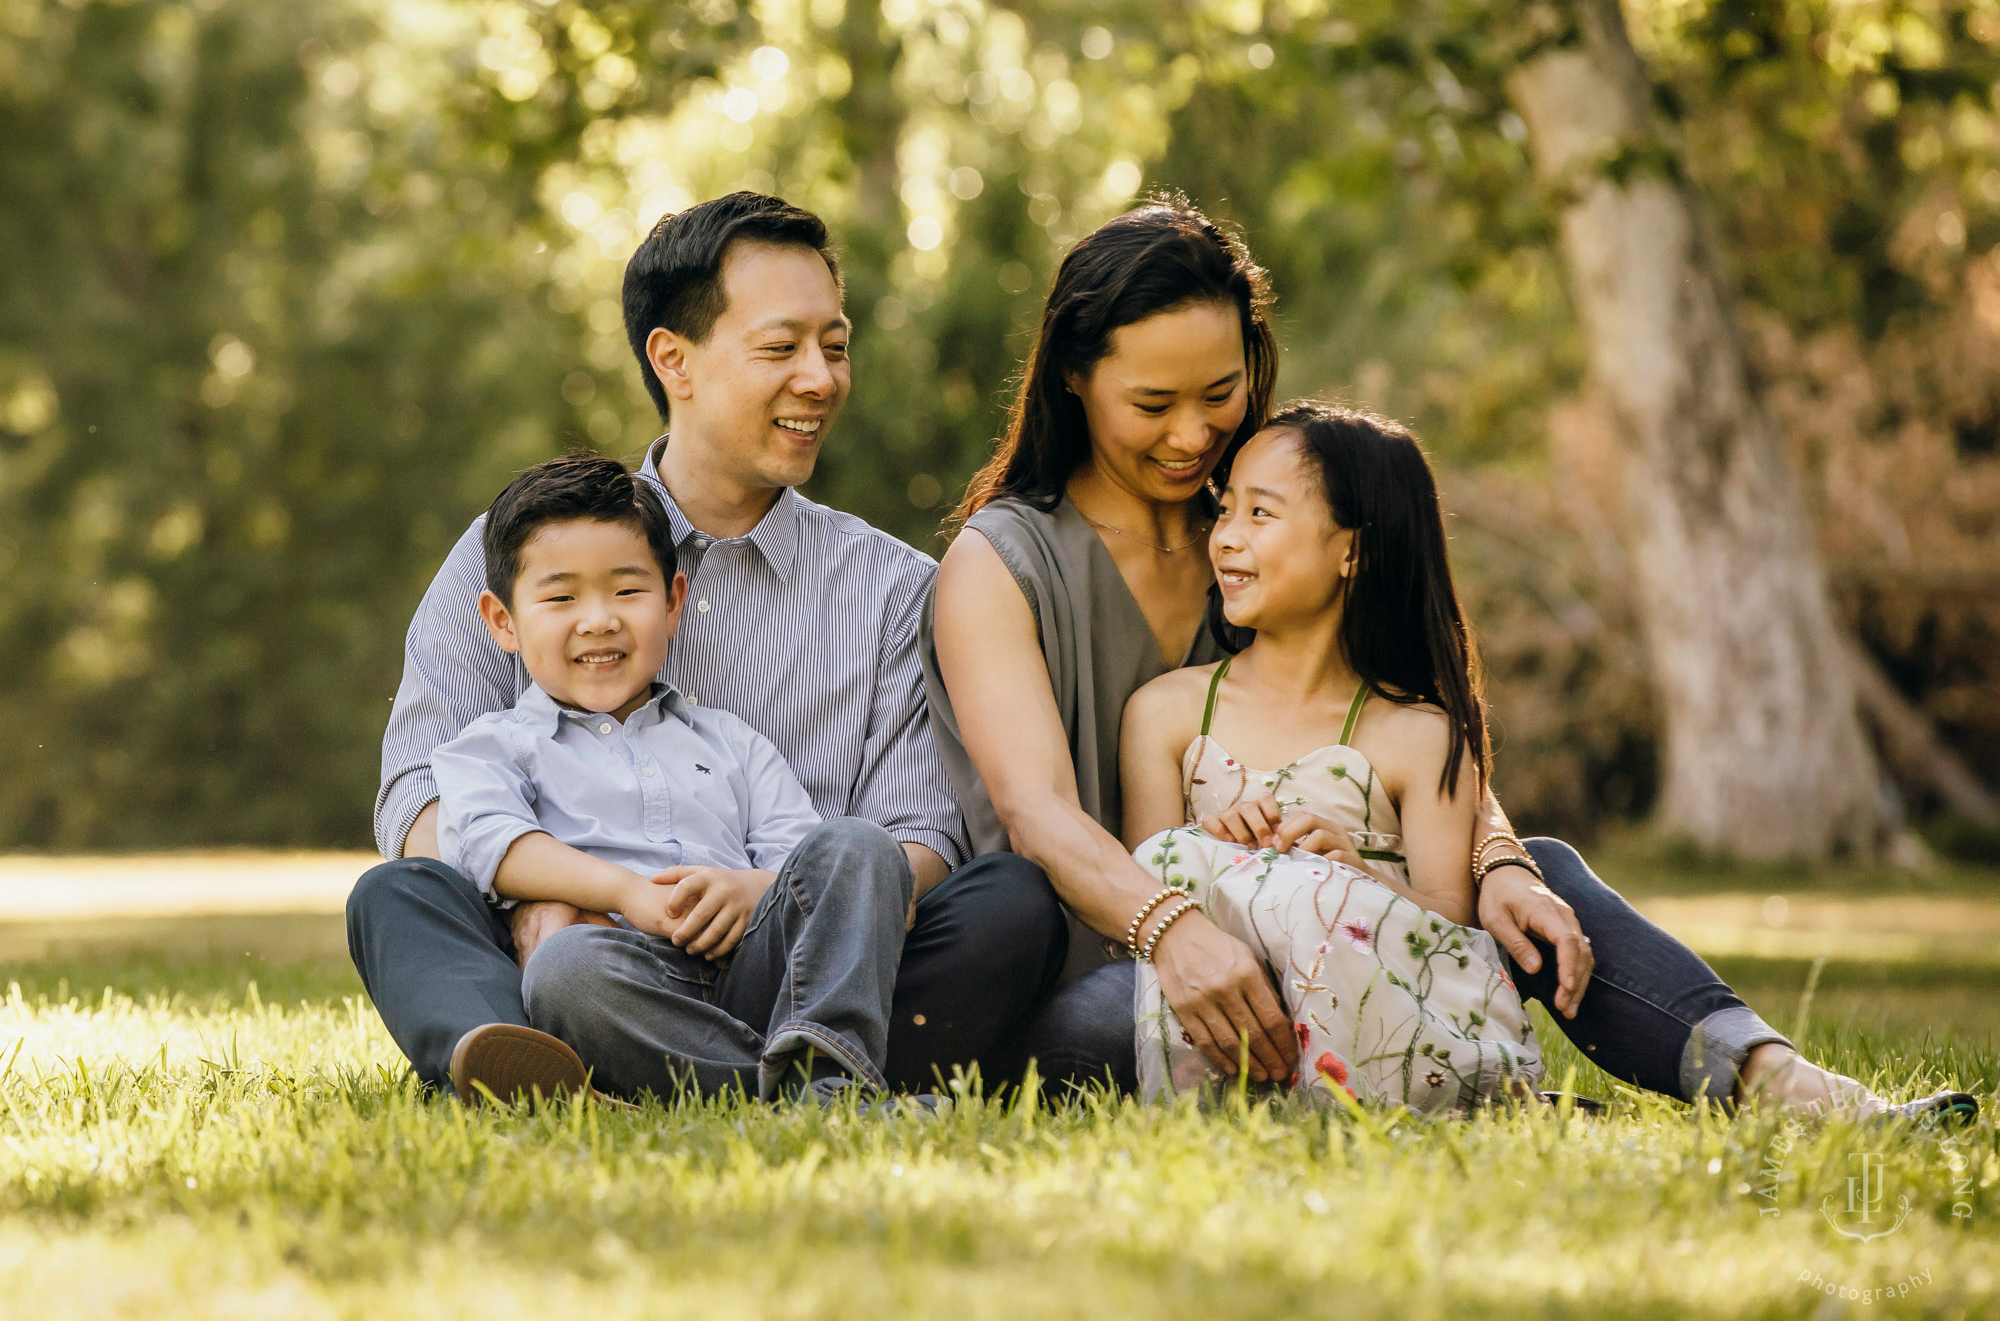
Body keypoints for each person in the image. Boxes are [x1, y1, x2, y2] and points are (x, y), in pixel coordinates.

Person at [924, 193, 1964, 1120]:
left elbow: (1403, 717)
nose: (1194, 434)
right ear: (1072, 378)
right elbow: (1038, 816)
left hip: (1302, 930)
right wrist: (1174, 932)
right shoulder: (1001, 563)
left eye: (1220, 393)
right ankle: (1493, 1095)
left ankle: (1766, 1078)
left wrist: (1495, 861)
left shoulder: (1259, 533)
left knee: (1540, 874)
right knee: (1121, 1020)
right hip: (1114, 976)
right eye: (1152, 406)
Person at [350, 192, 1066, 1103]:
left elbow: (918, 833)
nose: (821, 378)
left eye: (835, 346)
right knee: (398, 897)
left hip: (806, 959)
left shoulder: (894, 588)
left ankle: (675, 1067)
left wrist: (766, 890)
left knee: (1008, 903)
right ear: (673, 359)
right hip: (575, 948)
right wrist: (546, 896)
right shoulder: (520, 546)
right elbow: (420, 787)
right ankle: (568, 1054)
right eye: (781, 347)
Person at [428, 451, 911, 1103]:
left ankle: (825, 1066)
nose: (598, 618)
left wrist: (749, 889)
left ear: (673, 600)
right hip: (625, 972)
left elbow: (806, 865)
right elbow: (495, 842)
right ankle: (810, 1091)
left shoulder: (729, 740)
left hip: (752, 968)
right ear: (502, 622)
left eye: (627, 591)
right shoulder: (490, 747)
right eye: (562, 596)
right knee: (563, 968)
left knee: (861, 843)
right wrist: (626, 893)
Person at [1122, 403, 1541, 1111]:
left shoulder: (1419, 735)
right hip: (1221, 1017)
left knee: (1314, 892)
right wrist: (1212, 844)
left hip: (1382, 1025)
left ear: (1353, 550)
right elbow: (1144, 899)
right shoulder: (1166, 714)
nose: (1225, 536)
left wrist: (1350, 873)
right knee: (1174, 855)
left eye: (1261, 514)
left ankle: (1341, 1105)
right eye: (1226, 510)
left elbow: (1451, 933)